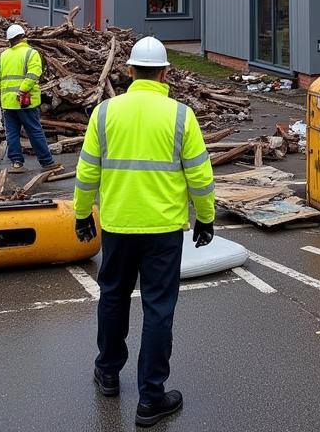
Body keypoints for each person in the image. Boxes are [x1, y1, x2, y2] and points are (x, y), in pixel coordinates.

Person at [73, 35, 215, 428]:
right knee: (158, 308)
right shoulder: (180, 116)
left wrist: (83, 215)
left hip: (118, 225)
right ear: (166, 72)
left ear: (130, 71)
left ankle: (107, 373)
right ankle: (151, 397)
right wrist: (205, 217)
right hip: (163, 229)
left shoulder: (104, 113)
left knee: (113, 298)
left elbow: (87, 172)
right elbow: (200, 177)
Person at [0, 23, 55, 173]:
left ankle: (16, 163)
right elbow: (34, 74)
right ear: (22, 37)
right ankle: (47, 162)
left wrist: (5, 91)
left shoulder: (2, 56)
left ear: (10, 40)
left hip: (8, 103)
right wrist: (23, 90)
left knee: (12, 133)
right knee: (34, 131)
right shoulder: (30, 53)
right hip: (26, 101)